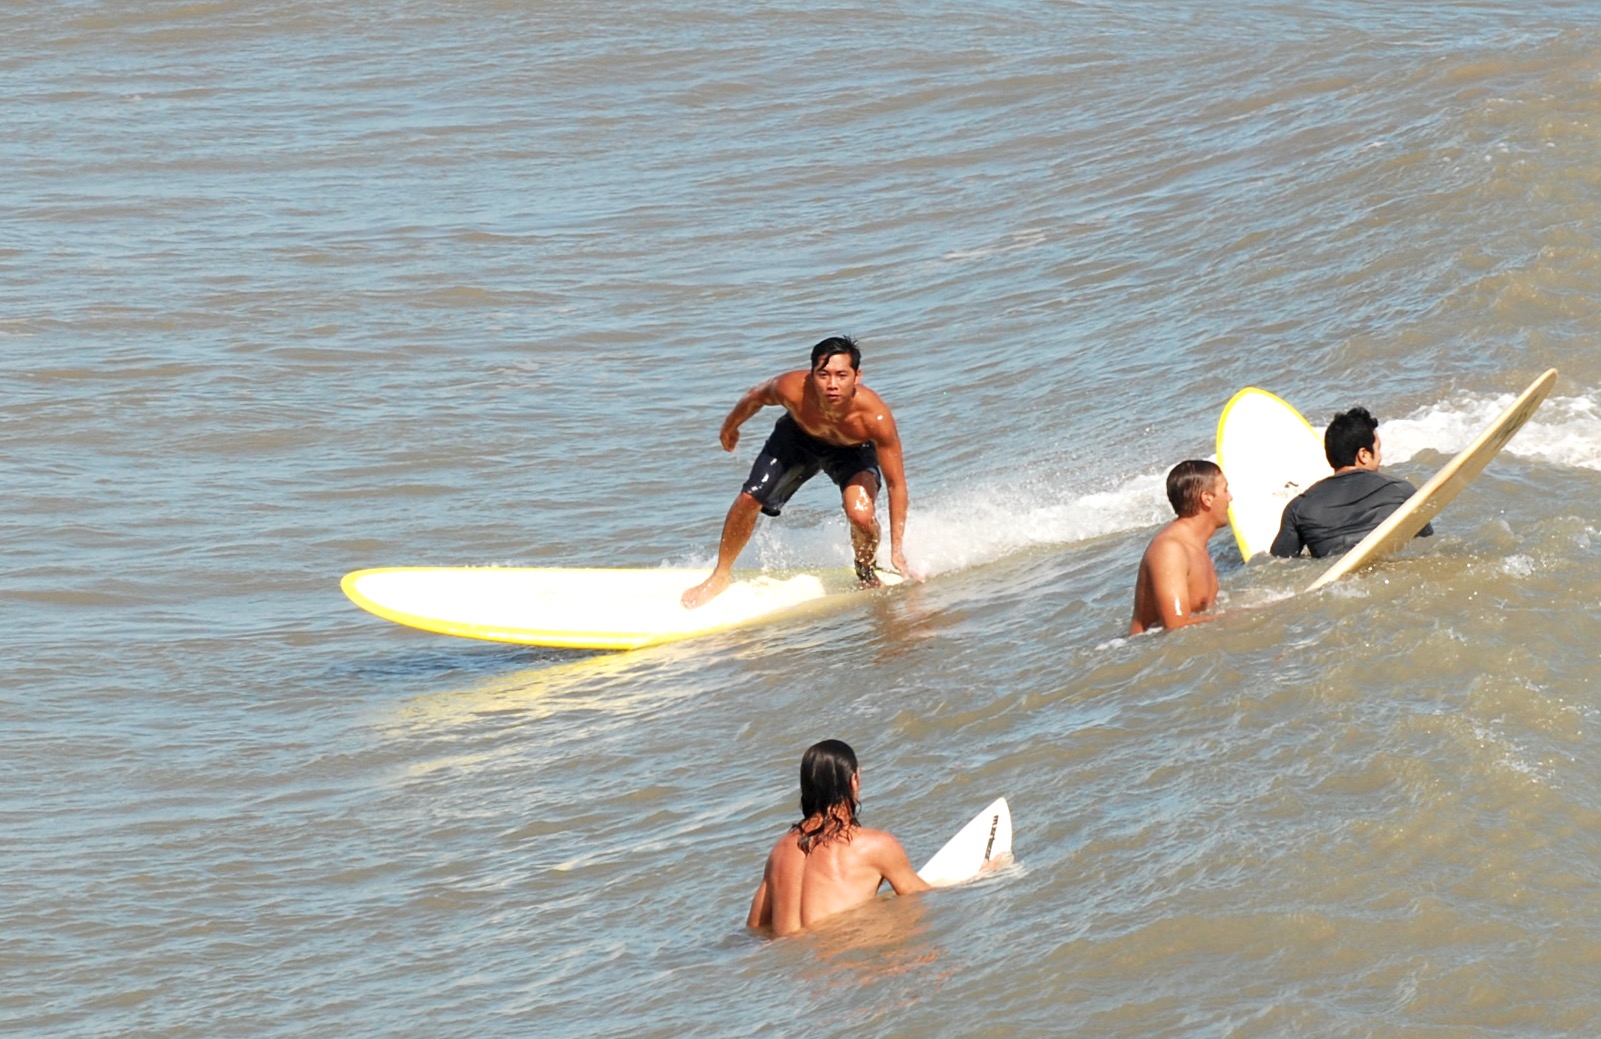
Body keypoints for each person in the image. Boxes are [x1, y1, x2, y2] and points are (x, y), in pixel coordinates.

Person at [682, 336, 910, 609]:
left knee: (861, 516)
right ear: (812, 374)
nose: (832, 384)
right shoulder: (790, 388)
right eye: (823, 375)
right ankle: (720, 576)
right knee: (749, 497)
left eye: (841, 375)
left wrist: (897, 550)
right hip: (797, 438)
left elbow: (896, 485)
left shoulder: (875, 418)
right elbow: (755, 396)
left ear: (857, 376)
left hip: (852, 451)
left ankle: (866, 570)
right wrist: (730, 427)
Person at [746, 739, 931, 937]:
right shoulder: (875, 845)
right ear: (853, 780)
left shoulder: (780, 851)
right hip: (840, 953)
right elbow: (924, 898)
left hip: (789, 956)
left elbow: (755, 928)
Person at [1270, 406, 1433, 559]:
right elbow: (1427, 544)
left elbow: (1278, 564)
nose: (1380, 456)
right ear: (1363, 455)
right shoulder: (1401, 491)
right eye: (1378, 449)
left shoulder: (1299, 508)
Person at [1129, 460, 1232, 635]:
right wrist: (1243, 615)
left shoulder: (1196, 545)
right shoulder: (1170, 550)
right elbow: (1176, 626)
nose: (1230, 497)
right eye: (1225, 490)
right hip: (1145, 647)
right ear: (1207, 499)